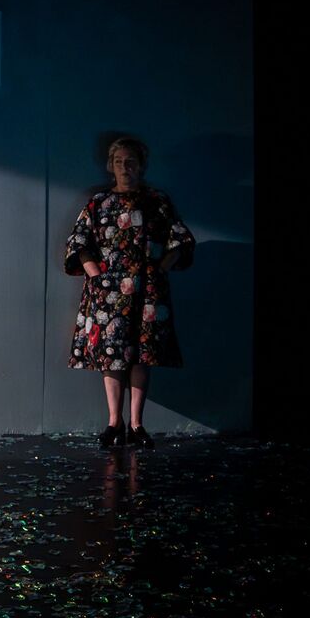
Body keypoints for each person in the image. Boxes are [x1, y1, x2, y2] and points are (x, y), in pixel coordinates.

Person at [64, 137, 194, 448]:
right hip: (108, 291)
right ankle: (114, 422)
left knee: (141, 355)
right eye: (119, 161)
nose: (125, 167)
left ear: (141, 166)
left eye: (131, 161)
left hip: (147, 290)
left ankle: (136, 424)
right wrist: (97, 277)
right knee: (111, 356)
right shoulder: (98, 202)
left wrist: (160, 269)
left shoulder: (156, 201)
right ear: (111, 166)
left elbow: (180, 239)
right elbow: (79, 242)